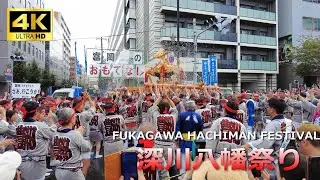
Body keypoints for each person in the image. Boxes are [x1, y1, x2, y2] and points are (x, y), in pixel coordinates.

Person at [15, 102, 57, 180]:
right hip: (37, 163)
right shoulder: (41, 126)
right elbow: (54, 135)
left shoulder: (18, 124)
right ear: (36, 111)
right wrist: (50, 119)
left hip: (22, 161)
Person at [53, 108, 92, 180]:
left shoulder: (54, 133)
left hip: (59, 170)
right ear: (71, 119)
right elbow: (87, 147)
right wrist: (79, 134)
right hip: (73, 172)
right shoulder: (75, 135)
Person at [175, 100, 203, 174]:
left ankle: (183, 175)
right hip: (194, 140)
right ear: (194, 107)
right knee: (194, 158)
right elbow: (200, 128)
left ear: (186, 107)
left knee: (184, 158)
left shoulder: (182, 115)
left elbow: (177, 127)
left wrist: (177, 138)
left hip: (184, 140)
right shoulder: (198, 116)